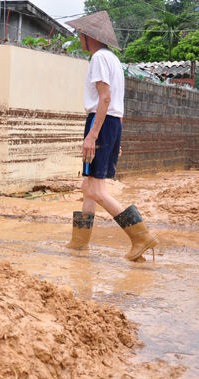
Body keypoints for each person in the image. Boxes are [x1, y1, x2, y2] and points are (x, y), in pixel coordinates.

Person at [65, 11, 157, 261]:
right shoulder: (113, 60)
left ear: (87, 36)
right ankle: (79, 242)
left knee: (96, 191)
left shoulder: (98, 59)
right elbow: (116, 102)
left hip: (100, 123)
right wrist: (116, 139)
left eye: (79, 34)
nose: (78, 38)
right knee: (89, 186)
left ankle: (140, 236)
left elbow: (104, 98)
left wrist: (92, 135)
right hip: (112, 123)